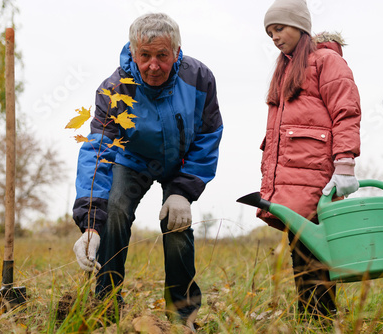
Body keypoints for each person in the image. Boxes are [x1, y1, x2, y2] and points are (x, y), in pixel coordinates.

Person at [71, 12, 223, 328]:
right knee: (113, 212)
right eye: (145, 55)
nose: (153, 65)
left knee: (177, 223)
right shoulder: (115, 90)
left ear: (177, 52)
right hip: (132, 159)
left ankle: (182, 315)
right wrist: (90, 224)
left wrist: (183, 190)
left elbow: (208, 137)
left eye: (162, 56)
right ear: (133, 51)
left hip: (180, 162)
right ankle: (105, 304)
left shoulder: (200, 79)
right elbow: (97, 153)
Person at [258, 0, 361, 318]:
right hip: (290, 178)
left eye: (280, 28)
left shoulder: (327, 61)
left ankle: (320, 318)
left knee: (314, 249)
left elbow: (346, 112)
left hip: (317, 175)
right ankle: (310, 317)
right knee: (300, 250)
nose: (274, 37)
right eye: (270, 32)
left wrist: (344, 163)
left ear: (300, 26)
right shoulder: (284, 69)